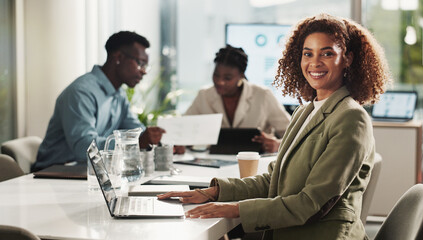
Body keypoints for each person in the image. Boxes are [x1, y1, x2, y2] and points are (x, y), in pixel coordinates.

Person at [158, 13, 390, 239]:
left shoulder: (351, 118)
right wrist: (214, 192)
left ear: (347, 58)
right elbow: (273, 181)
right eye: (307, 53)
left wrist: (234, 209)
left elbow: (312, 203)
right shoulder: (305, 111)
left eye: (327, 53)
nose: (315, 62)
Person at [32, 31, 165, 172]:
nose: (143, 71)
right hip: (55, 172)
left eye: (145, 66)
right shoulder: (81, 92)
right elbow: (84, 147)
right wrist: (134, 143)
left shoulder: (118, 94)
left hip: (89, 171)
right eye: (140, 63)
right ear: (118, 57)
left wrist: (161, 142)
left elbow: (137, 131)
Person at [185, 45, 291, 153]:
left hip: (254, 161)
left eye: (228, 78)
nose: (220, 82)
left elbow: (294, 134)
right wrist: (179, 143)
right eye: (216, 75)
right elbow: (183, 128)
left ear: (241, 75)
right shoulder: (204, 95)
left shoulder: (263, 95)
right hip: (213, 161)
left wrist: (278, 145)